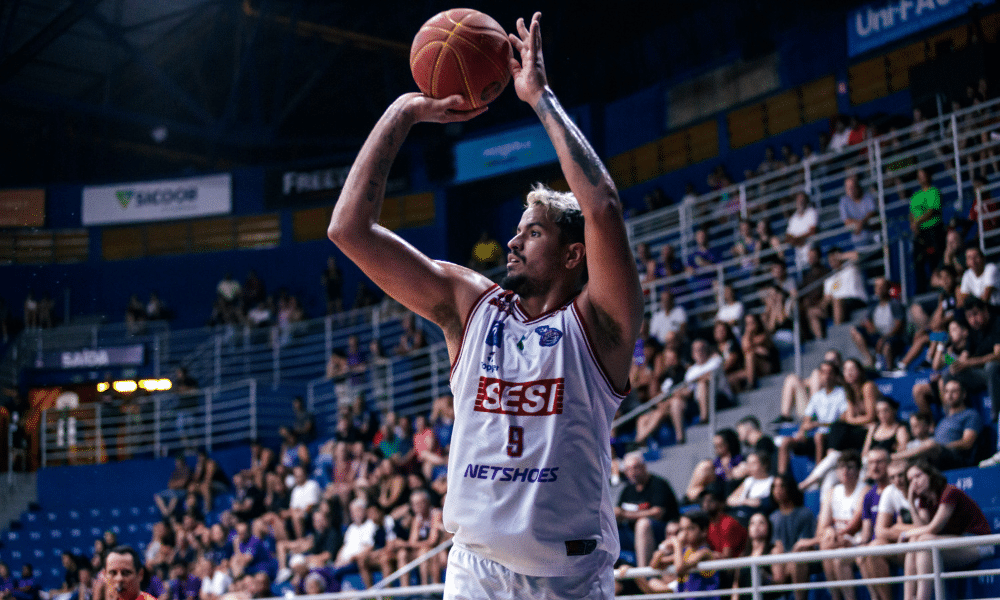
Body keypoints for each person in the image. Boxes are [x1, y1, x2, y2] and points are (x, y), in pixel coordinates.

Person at [326, 12, 643, 597]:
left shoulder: (600, 326)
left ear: (575, 256)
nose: (513, 241)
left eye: (534, 232)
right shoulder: (472, 307)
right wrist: (403, 113)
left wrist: (539, 98)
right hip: (476, 573)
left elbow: (601, 208)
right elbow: (348, 229)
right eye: (517, 230)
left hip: (567, 578)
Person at [901, 459, 992, 600]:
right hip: (954, 544)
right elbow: (922, 528)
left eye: (918, 476)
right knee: (916, 540)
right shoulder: (925, 500)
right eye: (910, 480)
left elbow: (933, 528)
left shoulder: (949, 492)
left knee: (924, 540)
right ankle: (908, 598)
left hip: (979, 543)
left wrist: (907, 533)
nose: (914, 483)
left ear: (930, 475)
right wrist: (912, 504)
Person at [776, 360, 849, 474]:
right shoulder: (817, 396)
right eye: (823, 373)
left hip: (832, 436)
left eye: (830, 373)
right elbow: (807, 419)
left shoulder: (842, 393)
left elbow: (843, 419)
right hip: (816, 435)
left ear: (835, 375)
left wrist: (818, 424)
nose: (826, 376)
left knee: (818, 436)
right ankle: (781, 478)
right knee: (785, 442)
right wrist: (802, 431)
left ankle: (817, 475)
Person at [894, 379, 981, 470]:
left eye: (954, 391)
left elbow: (967, 443)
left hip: (956, 458)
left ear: (964, 394)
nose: (950, 395)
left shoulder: (970, 415)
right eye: (946, 391)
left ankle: (894, 457)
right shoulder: (943, 420)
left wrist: (940, 447)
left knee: (931, 445)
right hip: (936, 457)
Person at [615, 452, 680, 567]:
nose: (632, 473)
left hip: (660, 531)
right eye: (628, 470)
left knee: (643, 523)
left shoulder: (658, 484)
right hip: (631, 534)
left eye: (635, 468)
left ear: (644, 466)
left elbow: (657, 513)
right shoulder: (627, 490)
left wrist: (625, 514)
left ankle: (643, 574)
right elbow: (618, 512)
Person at [769, 474, 817, 600]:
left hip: (802, 558)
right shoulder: (772, 518)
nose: (777, 490)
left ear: (790, 488)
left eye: (782, 486)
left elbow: (804, 544)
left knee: (796, 561)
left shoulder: (804, 514)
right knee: (774, 552)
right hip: (780, 564)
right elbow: (776, 544)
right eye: (774, 486)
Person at [850, 277, 906, 369]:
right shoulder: (873, 307)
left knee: (887, 346)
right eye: (877, 286)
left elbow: (899, 325)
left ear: (888, 288)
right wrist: (868, 326)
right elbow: (865, 322)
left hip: (892, 337)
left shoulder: (894, 304)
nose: (879, 289)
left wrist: (884, 338)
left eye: (882, 286)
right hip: (878, 336)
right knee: (854, 330)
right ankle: (870, 359)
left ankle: (889, 370)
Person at [839, 174, 878, 249]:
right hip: (858, 234)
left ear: (858, 186)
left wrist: (861, 222)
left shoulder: (868, 196)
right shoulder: (843, 201)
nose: (851, 190)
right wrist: (859, 223)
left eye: (853, 187)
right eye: (849, 188)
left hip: (873, 231)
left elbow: (872, 212)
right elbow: (846, 221)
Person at [784, 191, 819, 273]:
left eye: (802, 200)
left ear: (806, 201)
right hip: (799, 259)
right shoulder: (793, 219)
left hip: (813, 255)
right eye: (799, 201)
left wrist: (797, 240)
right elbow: (788, 238)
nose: (800, 202)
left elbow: (812, 231)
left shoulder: (812, 212)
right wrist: (800, 240)